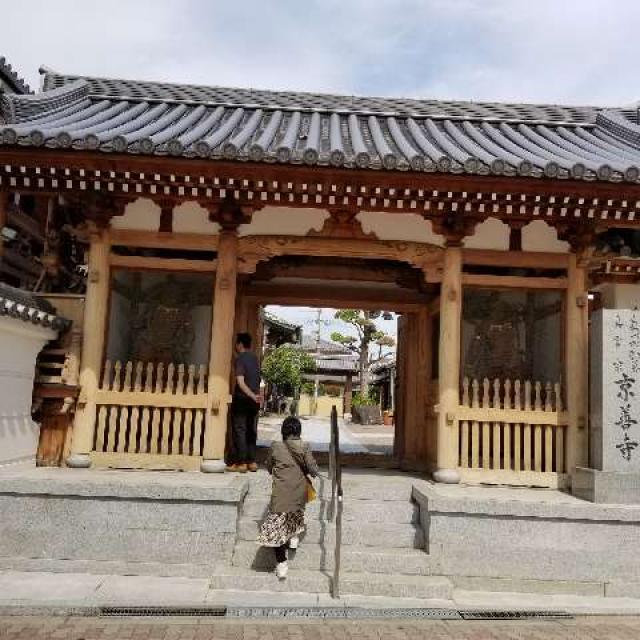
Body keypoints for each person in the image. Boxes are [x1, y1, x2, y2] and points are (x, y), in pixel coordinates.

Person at [257, 416, 319, 580]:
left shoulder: (275, 447)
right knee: (295, 513)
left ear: (283, 431)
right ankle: (293, 537)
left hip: (280, 496)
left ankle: (282, 563)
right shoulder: (305, 447)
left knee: (276, 529)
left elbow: (269, 467)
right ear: (299, 431)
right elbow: (313, 470)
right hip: (299, 494)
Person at [227, 332, 261, 473]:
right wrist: (257, 396)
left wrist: (252, 396)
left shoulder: (240, 359)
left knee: (239, 430)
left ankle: (241, 462)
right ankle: (251, 461)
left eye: (236, 343)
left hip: (242, 400)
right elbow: (259, 380)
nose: (235, 346)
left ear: (240, 344)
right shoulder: (254, 359)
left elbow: (240, 382)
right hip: (254, 401)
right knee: (251, 430)